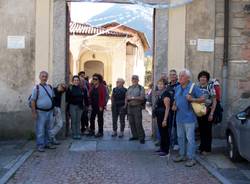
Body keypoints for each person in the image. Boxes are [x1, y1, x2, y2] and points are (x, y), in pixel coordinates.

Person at [172, 69, 205, 167]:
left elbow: (203, 98)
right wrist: (174, 105)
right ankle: (182, 155)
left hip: (189, 118)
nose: (179, 77)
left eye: (182, 76)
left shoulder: (193, 87)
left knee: (190, 139)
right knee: (180, 137)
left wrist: (193, 99)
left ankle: (191, 158)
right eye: (179, 76)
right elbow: (175, 100)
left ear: (188, 78)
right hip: (179, 117)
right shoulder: (177, 87)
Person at [30, 71, 56, 152]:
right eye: (43, 76)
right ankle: (40, 145)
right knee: (40, 129)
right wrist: (34, 113)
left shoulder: (50, 87)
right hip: (40, 112)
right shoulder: (36, 88)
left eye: (45, 76)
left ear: (47, 78)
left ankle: (47, 143)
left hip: (50, 111)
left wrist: (53, 110)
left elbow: (52, 99)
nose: (44, 78)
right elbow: (33, 101)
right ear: (40, 77)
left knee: (49, 129)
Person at [197, 71, 217, 155]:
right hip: (199, 112)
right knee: (201, 130)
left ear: (207, 79)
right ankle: (202, 147)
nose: (202, 78)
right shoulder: (197, 87)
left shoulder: (210, 87)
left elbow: (214, 101)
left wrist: (212, 113)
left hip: (208, 111)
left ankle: (207, 149)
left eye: (204, 77)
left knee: (207, 131)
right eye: (201, 77)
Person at [154, 79, 173, 157]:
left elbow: (167, 108)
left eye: (161, 84)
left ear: (165, 85)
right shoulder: (160, 93)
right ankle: (162, 148)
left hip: (164, 116)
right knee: (162, 133)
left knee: (165, 133)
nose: (160, 85)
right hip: (160, 116)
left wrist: (165, 119)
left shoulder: (166, 94)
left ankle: (166, 150)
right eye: (159, 84)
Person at [66, 75, 88, 140]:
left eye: (77, 80)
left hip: (80, 106)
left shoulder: (82, 89)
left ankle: (78, 133)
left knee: (78, 120)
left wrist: (87, 106)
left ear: (79, 81)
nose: (76, 81)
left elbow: (85, 98)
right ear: (72, 81)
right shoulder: (70, 88)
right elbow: (67, 98)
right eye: (75, 80)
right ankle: (74, 133)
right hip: (72, 106)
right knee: (73, 120)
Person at [126, 75, 146, 144]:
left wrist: (133, 97)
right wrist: (125, 105)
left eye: (135, 79)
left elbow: (142, 97)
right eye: (133, 79)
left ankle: (141, 137)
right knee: (131, 122)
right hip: (129, 107)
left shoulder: (141, 88)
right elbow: (126, 96)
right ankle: (135, 136)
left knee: (138, 123)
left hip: (137, 107)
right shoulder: (129, 88)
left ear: (138, 80)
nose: (134, 80)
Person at [88, 73, 106, 137]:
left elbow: (103, 97)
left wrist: (102, 106)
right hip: (93, 105)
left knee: (100, 119)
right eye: (93, 79)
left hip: (99, 106)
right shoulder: (92, 87)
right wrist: (90, 105)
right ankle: (92, 130)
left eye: (95, 79)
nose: (94, 80)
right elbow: (89, 96)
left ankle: (100, 132)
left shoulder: (102, 87)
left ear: (99, 80)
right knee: (92, 118)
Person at [168, 69, 179, 150]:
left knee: (176, 127)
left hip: (177, 109)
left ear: (176, 76)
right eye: (171, 75)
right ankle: (169, 142)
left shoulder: (179, 85)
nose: (172, 76)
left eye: (174, 74)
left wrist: (175, 105)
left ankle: (176, 143)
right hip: (168, 109)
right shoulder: (168, 86)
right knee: (169, 125)